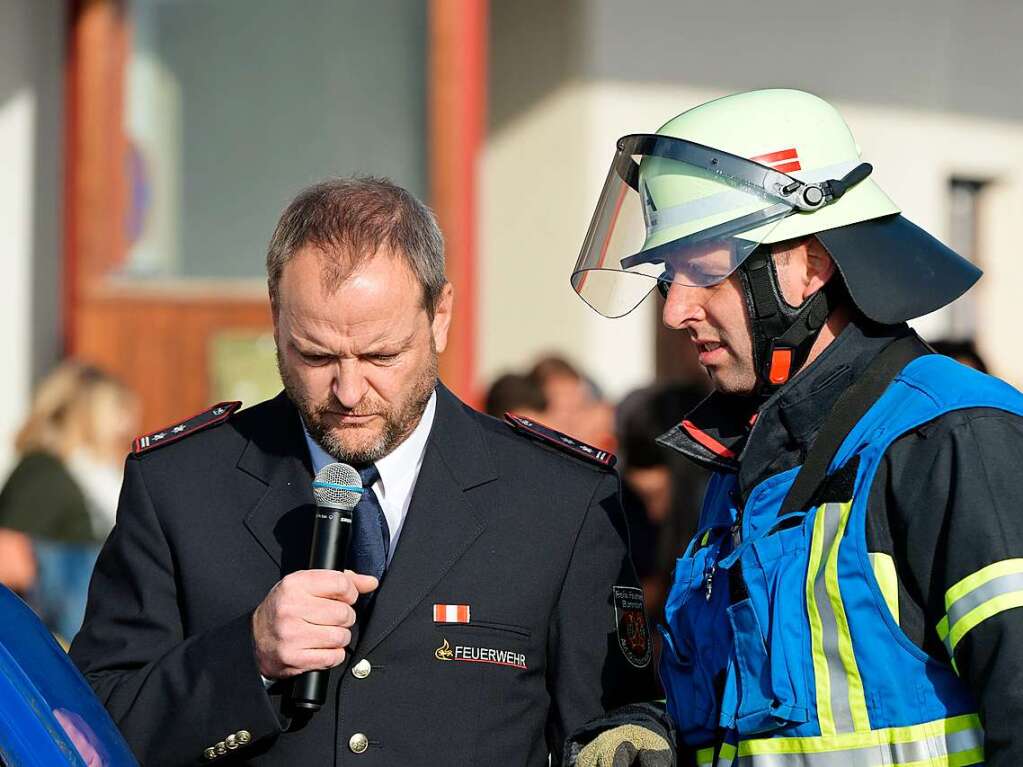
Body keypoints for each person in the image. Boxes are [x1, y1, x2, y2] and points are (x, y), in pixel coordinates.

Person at [70, 177, 656, 766]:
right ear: (276, 320)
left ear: (440, 316)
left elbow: (609, 729)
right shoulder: (182, 487)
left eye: (381, 355)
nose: (348, 392)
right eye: (316, 355)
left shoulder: (558, 501)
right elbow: (88, 725)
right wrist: (246, 655)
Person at [563, 89, 1023, 767]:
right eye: (668, 276)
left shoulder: (953, 435)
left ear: (807, 264)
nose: (674, 309)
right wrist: (656, 727)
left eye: (700, 267)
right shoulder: (750, 464)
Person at [0, 362, 137, 640]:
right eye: (116, 410)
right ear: (87, 415)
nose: (127, 422)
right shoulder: (44, 472)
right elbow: (7, 556)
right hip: (64, 639)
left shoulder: (87, 472)